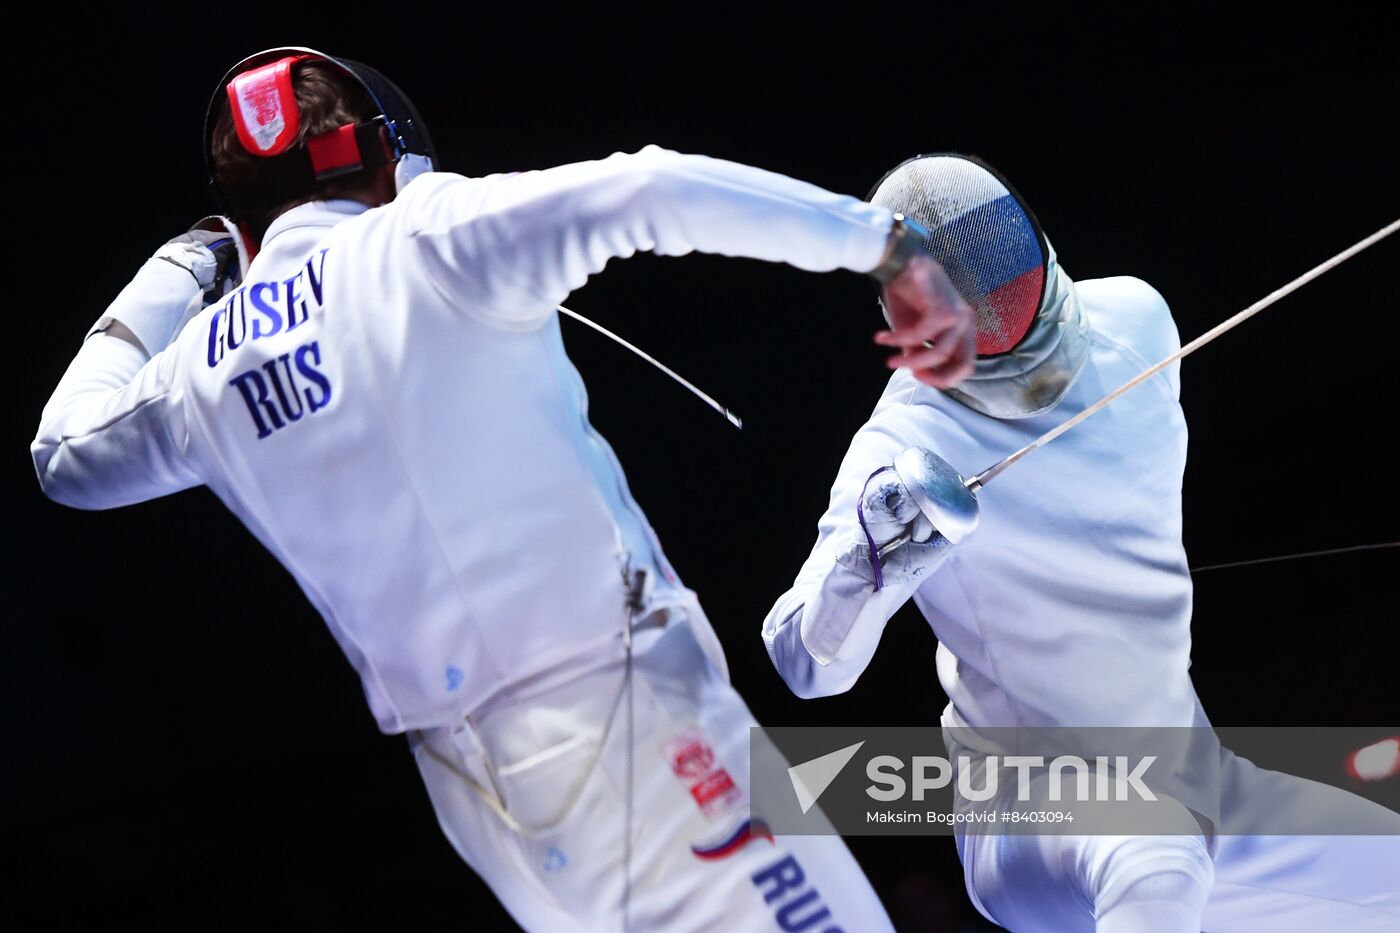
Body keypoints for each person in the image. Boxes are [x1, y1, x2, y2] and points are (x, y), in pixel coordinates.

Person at [30, 48, 976, 931]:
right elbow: (650, 186)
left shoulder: (203, 364)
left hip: (473, 795)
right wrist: (889, 247)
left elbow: (65, 454)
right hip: (634, 728)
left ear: (242, 225)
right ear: (391, 163)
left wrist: (184, 267)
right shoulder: (427, 235)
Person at [761, 153, 1400, 931]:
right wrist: (869, 557)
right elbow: (805, 664)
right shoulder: (901, 447)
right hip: (1032, 811)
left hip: (1202, 786)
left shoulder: (1134, 320)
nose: (991, 312)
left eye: (1001, 286)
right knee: (1155, 851)